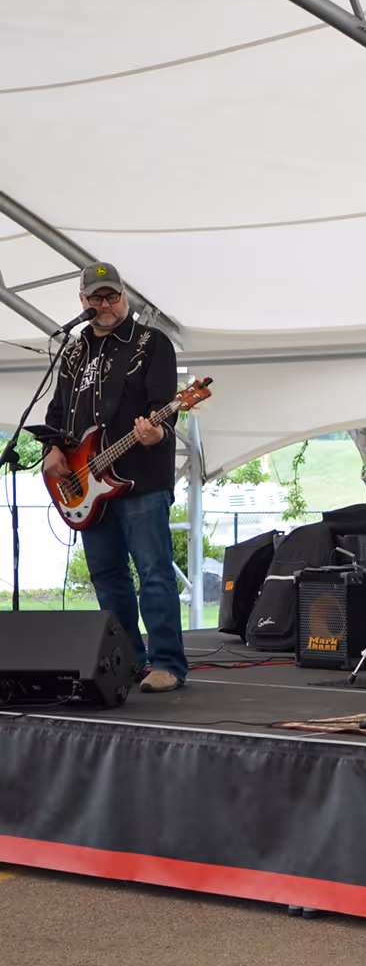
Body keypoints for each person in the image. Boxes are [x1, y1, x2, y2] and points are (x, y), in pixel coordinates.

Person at [42, 263, 188, 693]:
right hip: (85, 483)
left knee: (154, 572)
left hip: (140, 479)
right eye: (97, 298)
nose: (106, 304)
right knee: (107, 576)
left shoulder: (150, 342)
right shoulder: (73, 351)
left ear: (125, 297)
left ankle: (167, 663)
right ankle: (129, 660)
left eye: (113, 296)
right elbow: (56, 412)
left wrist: (157, 431)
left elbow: (166, 407)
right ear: (83, 301)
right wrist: (52, 449)